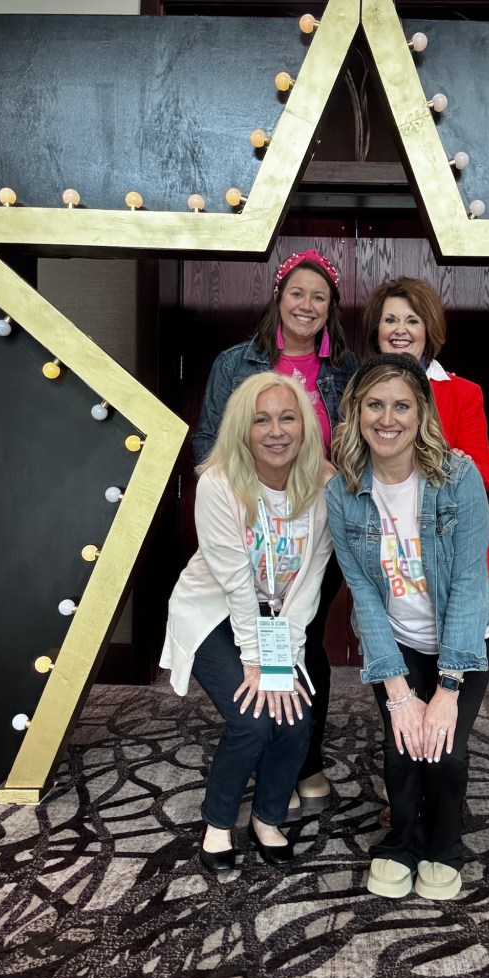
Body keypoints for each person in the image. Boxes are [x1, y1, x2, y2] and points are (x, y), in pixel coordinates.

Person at [325, 354, 489, 900]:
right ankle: (403, 841)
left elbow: (472, 583)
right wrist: (399, 691)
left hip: (464, 634)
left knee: (444, 746)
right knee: (403, 743)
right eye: (374, 405)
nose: (387, 418)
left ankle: (444, 845)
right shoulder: (343, 490)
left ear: (421, 411)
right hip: (398, 639)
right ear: (356, 412)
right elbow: (364, 596)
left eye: (401, 405)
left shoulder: (458, 476)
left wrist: (447, 688)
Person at [192, 249, 359, 813]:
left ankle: (299, 760)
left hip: (313, 522)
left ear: (330, 307)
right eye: (297, 293)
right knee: (254, 625)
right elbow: (209, 438)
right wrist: (227, 505)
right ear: (279, 298)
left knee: (304, 635)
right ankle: (260, 751)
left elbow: (358, 448)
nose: (306, 305)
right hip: (247, 521)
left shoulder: (346, 371)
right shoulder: (234, 362)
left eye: (319, 296)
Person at [161, 372, 334, 872]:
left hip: (276, 616)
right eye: (261, 420)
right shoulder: (218, 483)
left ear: (304, 425)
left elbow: (307, 587)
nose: (276, 430)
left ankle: (267, 817)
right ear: (243, 429)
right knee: (253, 720)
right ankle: (217, 824)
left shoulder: (324, 484)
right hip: (213, 612)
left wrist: (288, 661)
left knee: (298, 718)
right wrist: (258, 664)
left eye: (287, 417)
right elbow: (237, 585)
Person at [364, 276, 489, 582]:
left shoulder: (463, 393)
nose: (400, 329)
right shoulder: (360, 392)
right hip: (385, 549)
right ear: (378, 332)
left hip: (454, 549)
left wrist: (453, 469)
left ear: (428, 330)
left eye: (412, 320)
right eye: (390, 320)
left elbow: (486, 473)